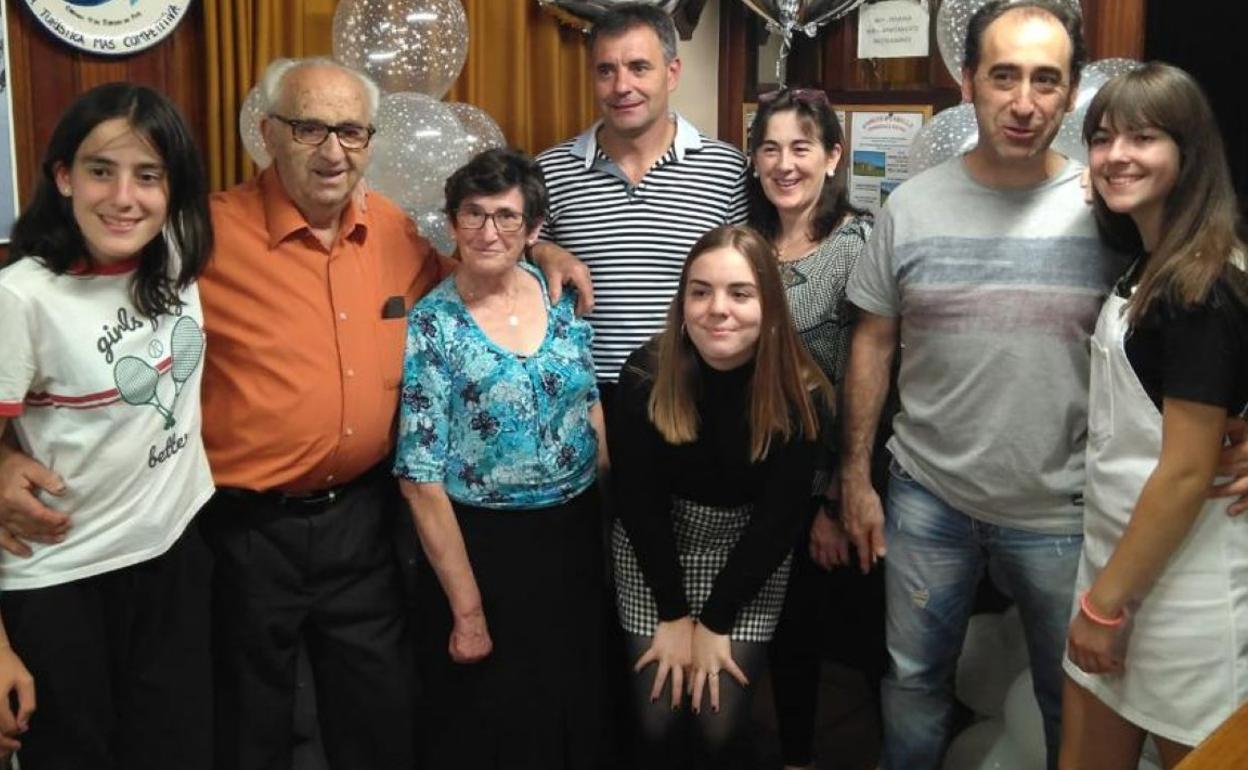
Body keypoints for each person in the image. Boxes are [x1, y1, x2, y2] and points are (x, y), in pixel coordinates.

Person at [840, 4, 1248, 770]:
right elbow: (874, 339)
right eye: (1003, 77)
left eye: (1045, 81)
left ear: (1069, 98)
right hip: (928, 496)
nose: (1024, 102)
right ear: (969, 84)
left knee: (1078, 702)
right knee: (915, 682)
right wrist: (855, 477)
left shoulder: (1111, 214)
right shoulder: (910, 207)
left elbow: (1215, 310)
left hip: (1068, 515)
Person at [0, 83, 214, 769]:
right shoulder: (21, 297)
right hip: (60, 578)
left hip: (172, 555)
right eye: (101, 170)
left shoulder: (178, 250)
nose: (124, 198)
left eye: (148, 175)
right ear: (62, 176)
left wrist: (542, 250)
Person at [394, 148, 609, 769]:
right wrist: (469, 613)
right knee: (495, 716)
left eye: (507, 218)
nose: (489, 232)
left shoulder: (557, 293)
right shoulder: (434, 325)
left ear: (534, 229)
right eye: (473, 215)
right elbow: (419, 480)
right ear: (452, 221)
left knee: (572, 700)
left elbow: (588, 400)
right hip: (484, 549)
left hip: (572, 537)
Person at [1060, 63, 1248, 770]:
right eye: (1103, 139)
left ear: (1189, 151)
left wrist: (1105, 608)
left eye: (1144, 137)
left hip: (1184, 598)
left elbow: (1185, 473)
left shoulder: (1201, 288)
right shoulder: (1146, 265)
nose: (1117, 156)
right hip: (1113, 562)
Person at [609, 224, 833, 769]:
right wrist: (673, 613)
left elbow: (777, 525)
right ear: (682, 300)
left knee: (716, 724)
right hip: (655, 547)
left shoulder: (802, 393)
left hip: (747, 551)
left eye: (740, 293)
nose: (717, 309)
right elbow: (637, 505)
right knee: (658, 718)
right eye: (700, 290)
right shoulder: (644, 373)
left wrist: (712, 622)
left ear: (770, 304)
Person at [744, 87, 883, 770]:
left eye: (801, 147)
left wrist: (833, 500)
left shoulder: (858, 244)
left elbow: (864, 384)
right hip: (739, 475)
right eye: (769, 147)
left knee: (802, 636)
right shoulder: (743, 241)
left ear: (832, 156)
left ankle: (799, 757)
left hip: (812, 488)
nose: (784, 163)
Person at [534, 1, 748, 398]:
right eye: (606, 70)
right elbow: (505, 261)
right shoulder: (548, 170)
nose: (621, 87)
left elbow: (749, 287)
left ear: (672, 73)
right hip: (581, 398)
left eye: (639, 67)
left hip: (690, 393)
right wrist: (542, 251)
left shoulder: (727, 169)